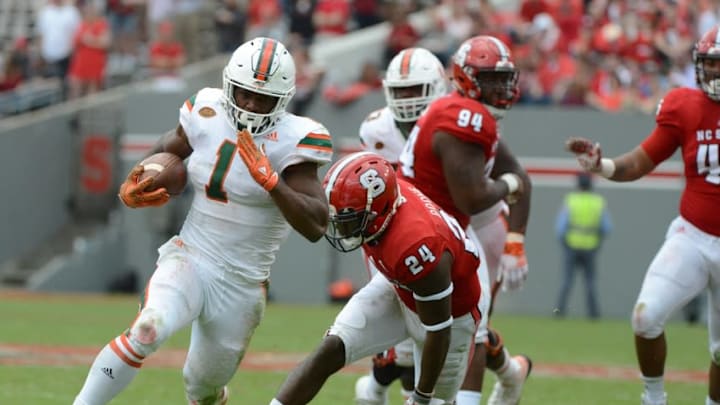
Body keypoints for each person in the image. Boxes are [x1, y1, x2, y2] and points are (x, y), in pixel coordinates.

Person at [72, 37, 333, 405]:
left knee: (202, 388)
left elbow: (316, 226)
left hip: (242, 284)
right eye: (244, 94)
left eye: (264, 98)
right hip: (191, 255)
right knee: (147, 329)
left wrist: (272, 183)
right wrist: (137, 177)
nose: (251, 105)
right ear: (230, 86)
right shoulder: (206, 109)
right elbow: (170, 145)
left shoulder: (295, 139)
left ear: (284, 99)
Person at [355, 46, 532, 405]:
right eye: (401, 90)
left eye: (415, 90)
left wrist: (515, 240)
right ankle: (511, 373)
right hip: (416, 232)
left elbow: (517, 177)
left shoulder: (466, 117)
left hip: (477, 228)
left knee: (470, 329)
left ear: (438, 87)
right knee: (415, 337)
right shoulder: (377, 129)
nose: (406, 100)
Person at [565, 25, 720, 405]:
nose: (714, 73)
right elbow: (640, 161)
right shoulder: (685, 106)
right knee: (645, 317)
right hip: (694, 235)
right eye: (710, 64)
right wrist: (602, 166)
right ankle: (653, 399)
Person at [269, 151, 486, 405]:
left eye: (348, 218)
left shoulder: (416, 245)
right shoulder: (382, 208)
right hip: (399, 286)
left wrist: (422, 396)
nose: (340, 226)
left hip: (450, 316)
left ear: (378, 212)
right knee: (331, 348)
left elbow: (438, 330)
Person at [554, 172, 612, 319]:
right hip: (591, 247)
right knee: (590, 283)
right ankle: (594, 314)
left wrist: (565, 242)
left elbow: (560, 228)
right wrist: (597, 241)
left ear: (578, 184)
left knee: (566, 281)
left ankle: (559, 312)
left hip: (571, 246)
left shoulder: (571, 200)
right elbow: (607, 228)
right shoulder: (598, 202)